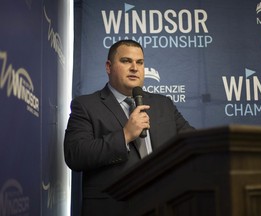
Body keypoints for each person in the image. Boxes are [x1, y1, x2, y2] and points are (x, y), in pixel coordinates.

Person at [64, 39, 195, 216]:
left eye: (139, 62)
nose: (135, 67)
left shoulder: (164, 104)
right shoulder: (86, 105)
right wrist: (125, 135)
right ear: (109, 67)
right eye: (126, 61)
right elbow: (76, 155)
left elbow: (191, 143)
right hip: (114, 208)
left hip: (165, 206)